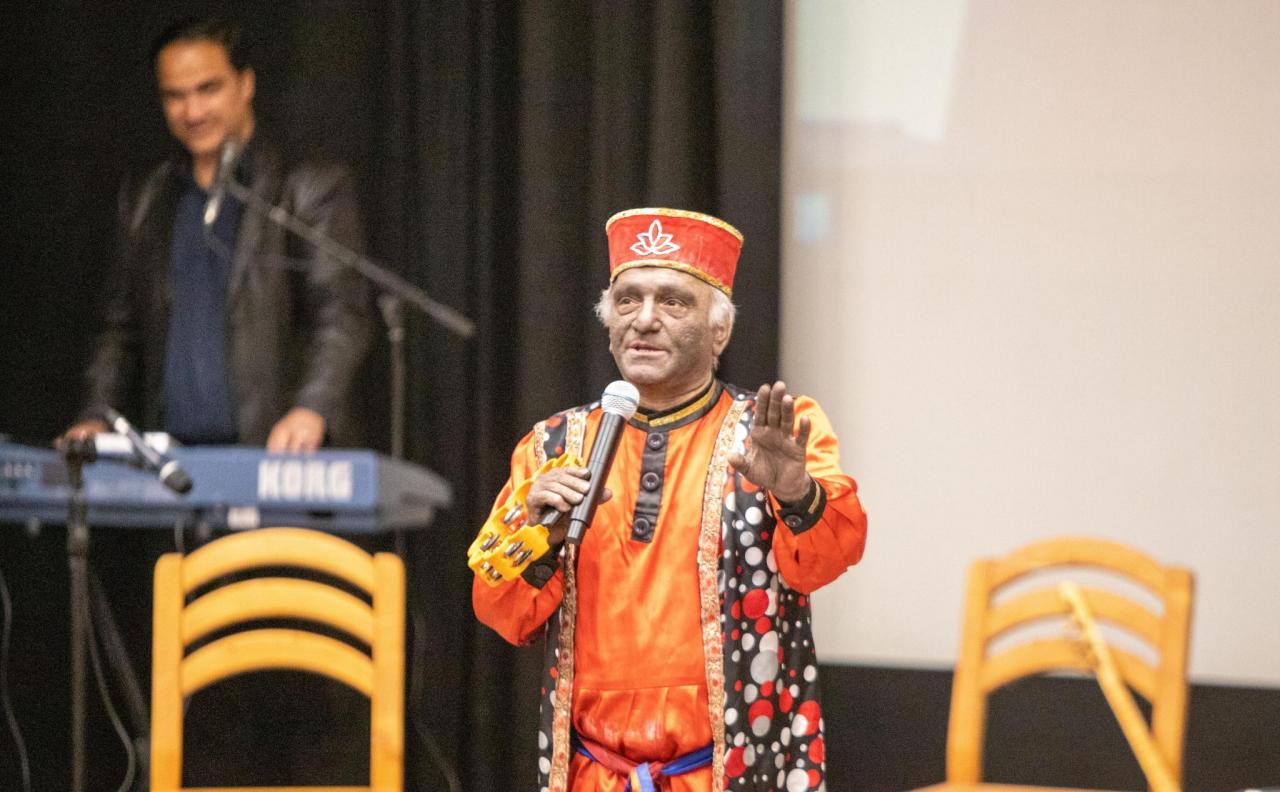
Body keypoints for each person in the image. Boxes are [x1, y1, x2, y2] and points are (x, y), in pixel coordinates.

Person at [472, 208, 868, 792]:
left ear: (719, 331)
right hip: (590, 773)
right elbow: (501, 613)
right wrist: (540, 540)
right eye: (627, 301)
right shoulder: (552, 446)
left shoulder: (773, 433)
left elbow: (829, 560)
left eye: (674, 302)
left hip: (728, 773)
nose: (644, 320)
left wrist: (794, 491)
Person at [62, 16, 372, 451]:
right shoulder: (150, 195)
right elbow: (119, 329)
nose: (192, 112)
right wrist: (96, 414)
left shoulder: (304, 186)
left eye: (208, 89)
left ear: (246, 84)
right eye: (175, 96)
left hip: (276, 454)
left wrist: (312, 408)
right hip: (173, 460)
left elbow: (340, 315)